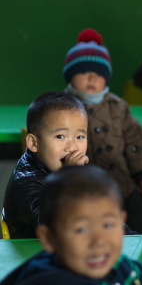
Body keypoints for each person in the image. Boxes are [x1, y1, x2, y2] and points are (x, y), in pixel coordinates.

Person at [0, 166, 142, 285]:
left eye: (108, 225)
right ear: (49, 239)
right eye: (81, 229)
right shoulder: (49, 280)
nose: (99, 241)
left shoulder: (119, 264)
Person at [64, 28, 142, 233]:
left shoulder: (117, 106)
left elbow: (135, 140)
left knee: (136, 216)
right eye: (84, 73)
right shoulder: (63, 107)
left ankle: (138, 253)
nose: (92, 78)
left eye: (98, 74)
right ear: (70, 77)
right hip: (82, 185)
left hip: (121, 182)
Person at [2, 92, 89, 239]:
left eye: (80, 137)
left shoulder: (70, 168)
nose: (72, 147)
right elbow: (59, 227)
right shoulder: (25, 184)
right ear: (33, 143)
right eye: (60, 136)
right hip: (37, 256)